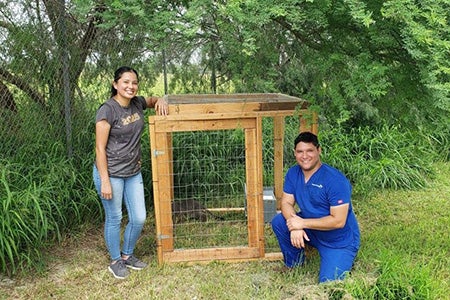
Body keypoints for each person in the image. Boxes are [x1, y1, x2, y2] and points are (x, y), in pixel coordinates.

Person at [93, 66, 168, 279]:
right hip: (111, 172)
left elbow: (152, 100)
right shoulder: (107, 110)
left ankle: (127, 255)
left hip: (133, 171)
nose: (130, 86)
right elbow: (99, 149)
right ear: (115, 84)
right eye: (125, 82)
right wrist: (105, 181)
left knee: (139, 218)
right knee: (115, 217)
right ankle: (115, 261)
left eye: (134, 82)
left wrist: (160, 100)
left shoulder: (137, 103)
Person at [271, 131, 360, 283]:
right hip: (312, 230)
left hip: (337, 240)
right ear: (295, 153)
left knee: (328, 284)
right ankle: (294, 264)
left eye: (309, 151)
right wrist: (295, 226)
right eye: (300, 151)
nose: (304, 156)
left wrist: (302, 223)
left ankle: (341, 260)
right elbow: (285, 203)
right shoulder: (293, 173)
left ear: (319, 150)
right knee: (279, 221)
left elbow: (338, 221)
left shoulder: (335, 180)